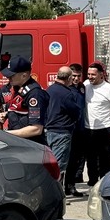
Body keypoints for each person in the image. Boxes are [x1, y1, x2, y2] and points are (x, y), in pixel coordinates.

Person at [84, 62, 110, 187]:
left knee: (104, 158)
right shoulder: (85, 85)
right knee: (90, 158)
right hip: (88, 128)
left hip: (105, 129)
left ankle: (104, 183)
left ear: (101, 75)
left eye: (93, 74)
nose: (90, 77)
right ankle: (92, 182)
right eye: (89, 74)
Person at [45, 66, 83, 196]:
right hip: (62, 131)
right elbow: (76, 112)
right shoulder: (66, 93)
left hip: (49, 130)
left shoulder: (49, 90)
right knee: (59, 166)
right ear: (69, 78)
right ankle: (56, 194)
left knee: (51, 163)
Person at [0, 56, 48, 144]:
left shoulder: (35, 94)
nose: (8, 78)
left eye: (12, 75)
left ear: (24, 75)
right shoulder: (17, 88)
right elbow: (22, 111)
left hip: (31, 144)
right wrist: (7, 114)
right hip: (18, 141)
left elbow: (36, 129)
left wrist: (5, 134)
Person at [66, 63, 88, 190]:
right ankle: (65, 186)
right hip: (69, 129)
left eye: (78, 76)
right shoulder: (66, 88)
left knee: (76, 158)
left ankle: (71, 185)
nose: (76, 78)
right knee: (67, 159)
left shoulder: (82, 87)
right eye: (74, 76)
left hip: (80, 128)